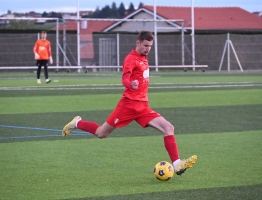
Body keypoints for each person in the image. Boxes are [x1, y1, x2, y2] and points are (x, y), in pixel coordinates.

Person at [62, 31, 197, 175]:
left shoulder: (144, 58)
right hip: (128, 105)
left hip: (143, 106)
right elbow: (124, 78)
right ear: (137, 43)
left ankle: (177, 164)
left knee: (168, 127)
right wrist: (129, 84)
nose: (148, 49)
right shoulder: (131, 59)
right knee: (101, 133)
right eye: (145, 45)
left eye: (150, 46)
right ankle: (77, 123)